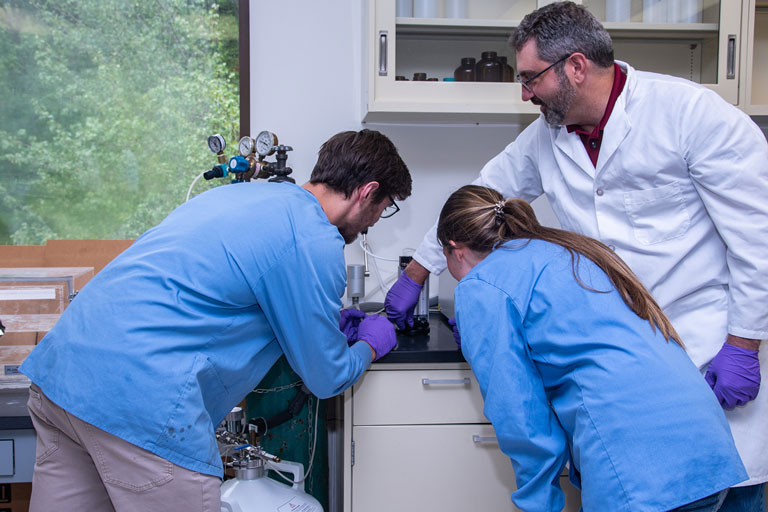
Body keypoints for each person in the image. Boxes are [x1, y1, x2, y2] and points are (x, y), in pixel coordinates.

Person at [386, 2, 768, 508]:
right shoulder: (545, 137)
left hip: (707, 349)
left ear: (576, 66)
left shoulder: (691, 114)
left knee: (724, 489)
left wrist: (743, 345)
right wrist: (415, 272)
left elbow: (757, 238)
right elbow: (479, 195)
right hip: (621, 378)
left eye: (530, 78)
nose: (524, 94)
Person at [20, 129, 412, 511]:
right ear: (367, 192)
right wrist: (370, 343)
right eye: (384, 206)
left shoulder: (241, 196)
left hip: (62, 376)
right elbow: (327, 377)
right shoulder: (313, 238)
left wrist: (323, 323)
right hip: (140, 402)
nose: (377, 220)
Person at [438, 184, 747, 511]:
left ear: (455, 249)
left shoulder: (481, 284)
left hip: (640, 466)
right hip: (706, 450)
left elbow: (519, 416)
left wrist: (540, 503)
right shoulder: (567, 250)